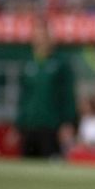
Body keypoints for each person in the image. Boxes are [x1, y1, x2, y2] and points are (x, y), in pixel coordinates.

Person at [11, 18, 77, 158]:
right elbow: (23, 97)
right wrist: (18, 125)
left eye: (43, 35)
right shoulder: (28, 63)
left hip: (51, 127)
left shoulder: (61, 63)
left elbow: (68, 96)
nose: (40, 39)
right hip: (29, 126)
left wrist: (67, 123)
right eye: (37, 35)